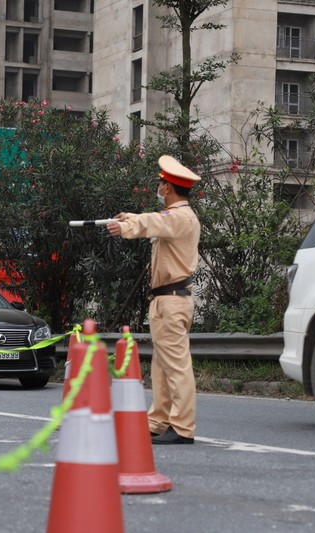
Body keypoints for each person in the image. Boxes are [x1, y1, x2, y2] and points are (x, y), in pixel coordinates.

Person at [107, 155, 201, 445]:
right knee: (162, 366)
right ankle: (158, 421)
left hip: (172, 300)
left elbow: (154, 222)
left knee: (176, 366)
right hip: (165, 299)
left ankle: (182, 427)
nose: (158, 187)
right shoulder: (175, 217)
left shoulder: (182, 217)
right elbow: (155, 221)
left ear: (168, 189)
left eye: (161, 183)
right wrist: (129, 218)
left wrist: (128, 226)